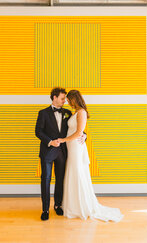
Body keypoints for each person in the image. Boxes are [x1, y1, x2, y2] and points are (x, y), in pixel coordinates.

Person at [58, 90, 124, 222]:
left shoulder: (81, 112)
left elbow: (79, 132)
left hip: (76, 146)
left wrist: (62, 140)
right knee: (72, 173)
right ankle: (73, 205)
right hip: (71, 147)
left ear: (74, 99)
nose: (68, 102)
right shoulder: (75, 112)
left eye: (69, 99)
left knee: (77, 173)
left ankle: (81, 206)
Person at [35, 87, 85, 221]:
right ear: (54, 98)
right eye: (63, 98)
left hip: (62, 152)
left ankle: (58, 205)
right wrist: (50, 142)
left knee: (60, 179)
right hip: (47, 151)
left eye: (65, 99)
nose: (65, 101)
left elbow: (76, 128)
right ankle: (45, 209)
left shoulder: (68, 113)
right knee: (45, 180)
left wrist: (83, 136)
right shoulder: (43, 113)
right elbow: (38, 132)